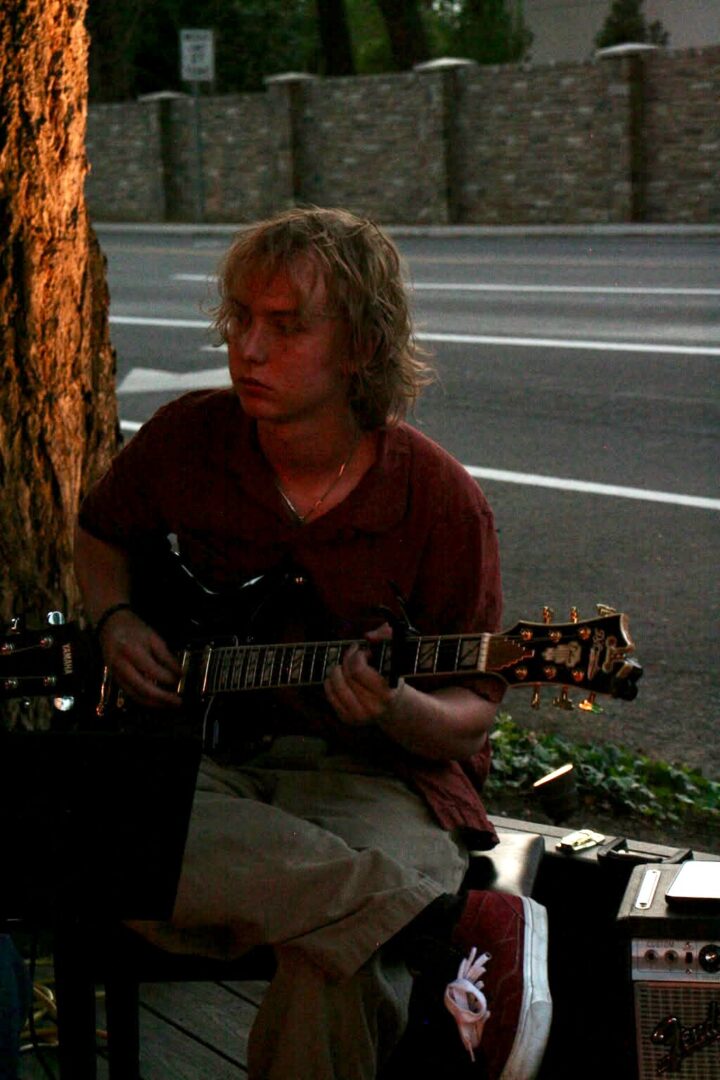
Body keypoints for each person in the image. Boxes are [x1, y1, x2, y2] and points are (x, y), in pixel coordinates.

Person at [74, 207, 550, 1079]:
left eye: (286, 326)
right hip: (208, 768)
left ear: (362, 346)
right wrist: (118, 619)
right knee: (98, 827)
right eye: (240, 321)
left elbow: (472, 716)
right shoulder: (187, 439)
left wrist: (397, 705)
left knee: (335, 966)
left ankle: (388, 912)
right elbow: (100, 534)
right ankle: (438, 918)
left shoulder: (441, 502)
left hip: (376, 783)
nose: (248, 349)